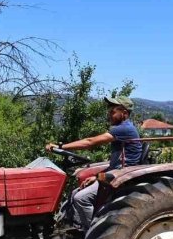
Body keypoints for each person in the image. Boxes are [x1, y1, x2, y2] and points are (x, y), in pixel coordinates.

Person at [45, 96, 143, 230]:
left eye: (113, 112)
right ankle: (72, 228)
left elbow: (90, 142)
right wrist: (97, 176)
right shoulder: (122, 128)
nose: (109, 114)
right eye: (109, 111)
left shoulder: (124, 129)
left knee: (81, 198)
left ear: (124, 113)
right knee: (74, 193)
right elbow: (115, 163)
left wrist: (60, 147)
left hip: (120, 175)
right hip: (115, 172)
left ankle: (92, 233)